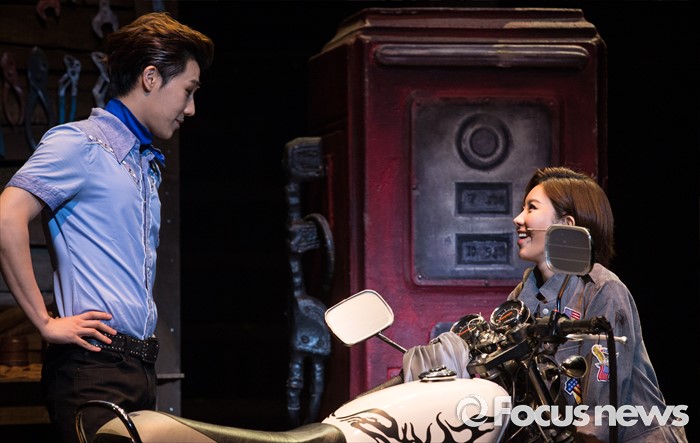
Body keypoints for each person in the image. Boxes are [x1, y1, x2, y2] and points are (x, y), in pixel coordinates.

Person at [0, 12, 213, 443]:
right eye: (188, 91)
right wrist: (44, 322)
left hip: (137, 367)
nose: (190, 108)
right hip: (92, 368)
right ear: (151, 77)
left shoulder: (142, 163)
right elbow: (6, 217)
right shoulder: (80, 143)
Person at [508, 166, 687, 442]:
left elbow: (599, 415)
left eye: (531, 208)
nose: (518, 219)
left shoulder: (602, 289)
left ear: (565, 226)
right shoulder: (520, 298)